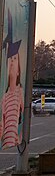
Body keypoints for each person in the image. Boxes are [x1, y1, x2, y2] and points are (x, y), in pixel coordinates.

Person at [0, 11, 25, 150]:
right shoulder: (4, 96)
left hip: (14, 138)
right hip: (5, 142)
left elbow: (23, 115)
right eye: (10, 60)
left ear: (19, 69)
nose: (11, 63)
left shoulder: (20, 92)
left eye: (14, 60)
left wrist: (20, 136)